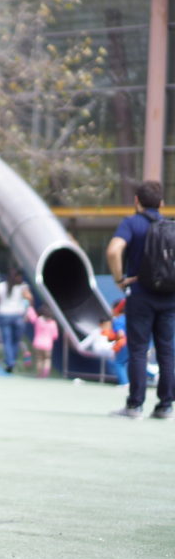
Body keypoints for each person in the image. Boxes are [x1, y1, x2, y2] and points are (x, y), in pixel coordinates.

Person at [106, 179, 175, 419]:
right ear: (162, 203)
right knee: (167, 351)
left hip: (141, 295)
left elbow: (114, 250)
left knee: (138, 350)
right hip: (169, 297)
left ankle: (135, 406)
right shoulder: (170, 226)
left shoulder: (131, 224)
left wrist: (119, 279)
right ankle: (166, 406)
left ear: (137, 202)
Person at [0, 268, 32, 373]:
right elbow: (29, 298)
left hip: (4, 315)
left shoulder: (1, 286)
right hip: (17, 316)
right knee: (15, 341)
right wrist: (27, 308)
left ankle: (10, 361)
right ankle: (12, 359)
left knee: (7, 341)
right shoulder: (22, 287)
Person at [27, 305, 59, 378]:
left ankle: (39, 374)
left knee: (39, 359)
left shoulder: (39, 320)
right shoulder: (52, 323)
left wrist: (29, 308)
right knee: (47, 359)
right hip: (48, 344)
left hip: (37, 343)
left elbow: (32, 317)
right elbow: (55, 335)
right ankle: (45, 373)